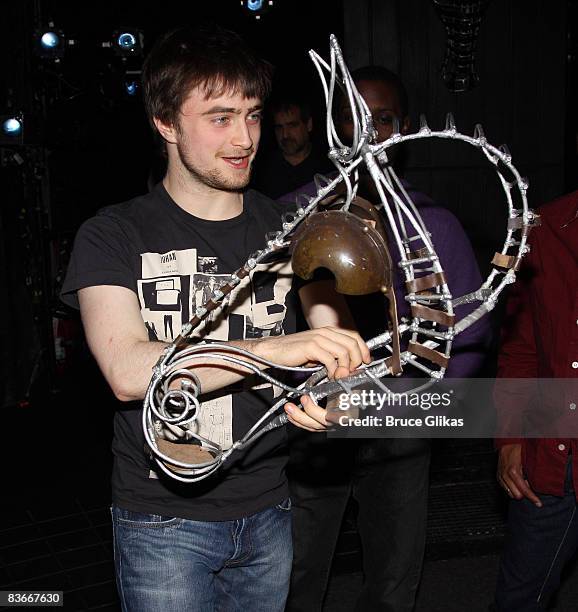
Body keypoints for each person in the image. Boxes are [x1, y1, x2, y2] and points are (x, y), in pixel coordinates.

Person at [60, 25, 370, 612]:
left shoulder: (294, 231)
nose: (246, 137)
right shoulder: (113, 234)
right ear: (166, 122)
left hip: (271, 508)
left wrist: (332, 397)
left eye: (252, 115)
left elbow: (342, 354)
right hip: (163, 521)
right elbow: (128, 371)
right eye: (220, 118)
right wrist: (276, 351)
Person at [285, 66, 489, 612]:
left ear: (401, 129)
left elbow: (470, 335)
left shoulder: (432, 222)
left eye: (382, 119)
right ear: (331, 126)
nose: (367, 132)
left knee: (394, 575)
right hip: (315, 418)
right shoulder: (294, 214)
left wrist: (419, 409)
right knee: (297, 572)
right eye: (353, 117)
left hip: (398, 423)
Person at [493, 190, 578, 611]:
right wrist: (509, 438)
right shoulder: (545, 227)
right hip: (551, 456)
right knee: (518, 599)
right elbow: (520, 348)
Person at [252, 97, 333, 199]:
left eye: (292, 125)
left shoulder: (329, 166)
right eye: (279, 127)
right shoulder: (261, 171)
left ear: (309, 124)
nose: (285, 135)